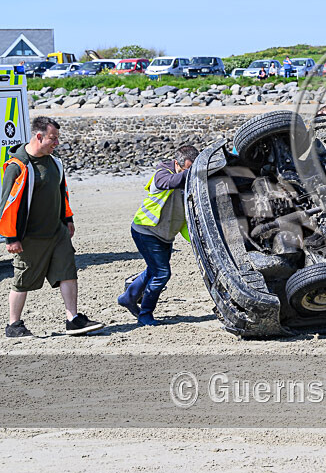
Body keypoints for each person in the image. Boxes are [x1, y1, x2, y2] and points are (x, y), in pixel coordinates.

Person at [1, 117, 105, 337]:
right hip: (30, 237)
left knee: (68, 272)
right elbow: (6, 205)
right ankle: (13, 325)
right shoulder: (17, 166)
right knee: (22, 281)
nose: (56, 143)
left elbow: (61, 192)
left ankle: (73, 320)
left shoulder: (55, 161)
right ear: (39, 136)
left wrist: (67, 219)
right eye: (53, 138)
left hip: (57, 232)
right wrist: (11, 238)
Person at [117, 145, 199, 326]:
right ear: (177, 164)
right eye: (187, 169)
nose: (191, 174)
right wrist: (194, 172)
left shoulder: (188, 178)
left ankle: (128, 298)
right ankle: (145, 314)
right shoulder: (162, 173)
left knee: (153, 270)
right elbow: (168, 183)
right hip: (146, 231)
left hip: (165, 235)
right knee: (162, 274)